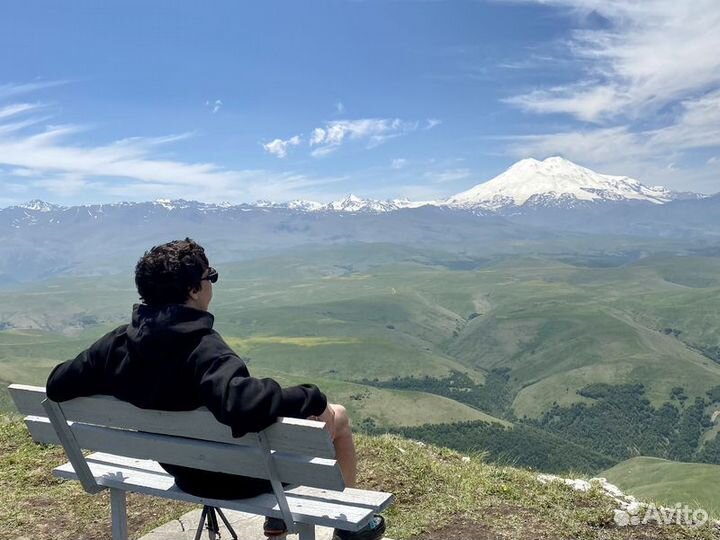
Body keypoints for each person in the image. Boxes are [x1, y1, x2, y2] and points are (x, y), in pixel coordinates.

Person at [46, 238, 385, 540]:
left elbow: (58, 383)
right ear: (194, 290)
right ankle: (349, 527)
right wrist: (311, 396)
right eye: (211, 277)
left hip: (181, 469)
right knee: (337, 416)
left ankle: (277, 520)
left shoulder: (118, 342)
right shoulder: (203, 347)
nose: (212, 284)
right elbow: (242, 407)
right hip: (237, 477)